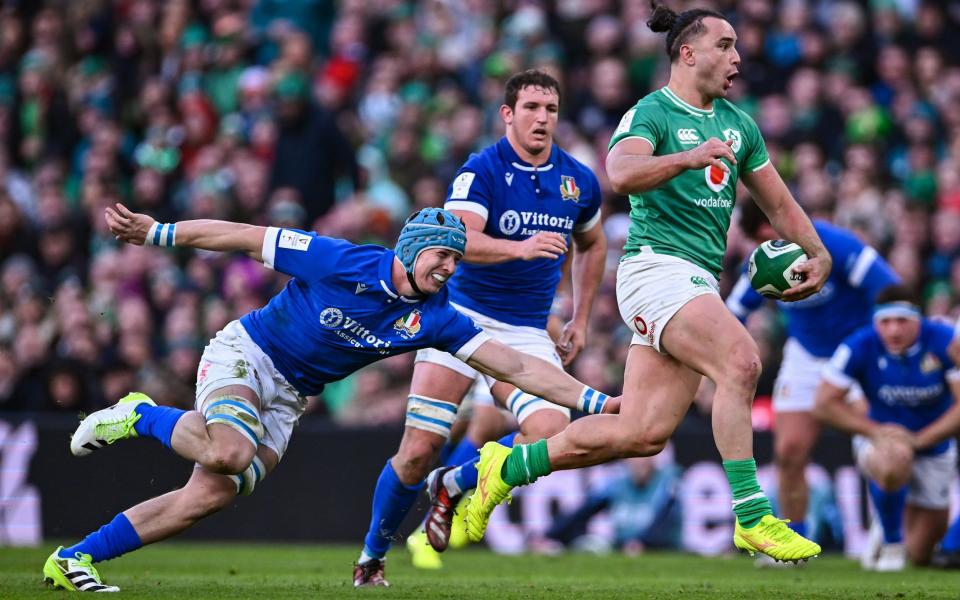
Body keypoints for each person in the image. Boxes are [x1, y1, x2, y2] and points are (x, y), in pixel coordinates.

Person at [41, 205, 616, 592]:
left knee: (208, 497)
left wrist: (595, 401)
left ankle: (74, 559)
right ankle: (141, 414)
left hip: (291, 397)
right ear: (412, 248)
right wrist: (159, 232)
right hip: (248, 354)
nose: (448, 266)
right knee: (229, 454)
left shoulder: (438, 319)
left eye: (456, 259)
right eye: (441, 254)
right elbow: (244, 238)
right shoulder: (343, 261)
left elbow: (516, 366)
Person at [463, 2, 831, 563]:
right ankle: (753, 516)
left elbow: (777, 201)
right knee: (742, 362)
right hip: (655, 268)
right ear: (688, 53)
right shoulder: (652, 113)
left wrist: (818, 253)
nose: (737, 56)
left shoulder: (739, 125)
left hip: (695, 278)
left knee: (641, 433)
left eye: (736, 46)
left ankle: (505, 467)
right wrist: (687, 158)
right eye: (725, 45)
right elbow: (621, 172)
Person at [359, 69, 608, 576]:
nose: (543, 118)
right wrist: (520, 248)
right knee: (419, 449)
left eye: (551, 109)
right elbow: (457, 239)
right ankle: (372, 556)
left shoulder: (578, 180)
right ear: (508, 114)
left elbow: (594, 243)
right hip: (457, 321)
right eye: (532, 108)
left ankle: (454, 483)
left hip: (524, 331)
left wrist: (580, 317)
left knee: (549, 431)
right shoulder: (482, 171)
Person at [726, 201, 900, 551]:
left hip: (855, 353)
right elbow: (733, 313)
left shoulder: (835, 244)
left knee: (877, 445)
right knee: (789, 452)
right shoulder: (764, 261)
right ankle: (796, 540)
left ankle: (888, 530)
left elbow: (889, 290)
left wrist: (880, 351)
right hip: (805, 355)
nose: (768, 245)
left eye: (767, 234)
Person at [814, 285, 960, 571]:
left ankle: (886, 519)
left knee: (921, 555)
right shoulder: (859, 344)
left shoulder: (945, 341)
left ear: (919, 319)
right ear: (875, 321)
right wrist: (873, 431)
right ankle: (892, 544)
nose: (893, 331)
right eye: (885, 322)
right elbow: (823, 404)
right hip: (881, 439)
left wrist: (919, 439)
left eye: (902, 321)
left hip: (934, 446)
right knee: (893, 457)